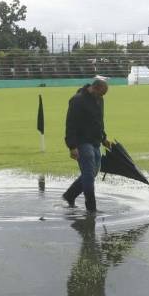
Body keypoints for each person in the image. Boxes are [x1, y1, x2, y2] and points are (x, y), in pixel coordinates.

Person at [61, 76, 110, 212]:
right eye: (101, 93)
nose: (102, 96)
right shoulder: (77, 101)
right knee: (88, 175)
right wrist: (72, 146)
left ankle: (70, 195)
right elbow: (70, 124)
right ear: (95, 88)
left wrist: (104, 138)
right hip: (82, 142)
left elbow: (99, 121)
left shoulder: (99, 99)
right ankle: (91, 208)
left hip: (95, 141)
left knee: (93, 172)